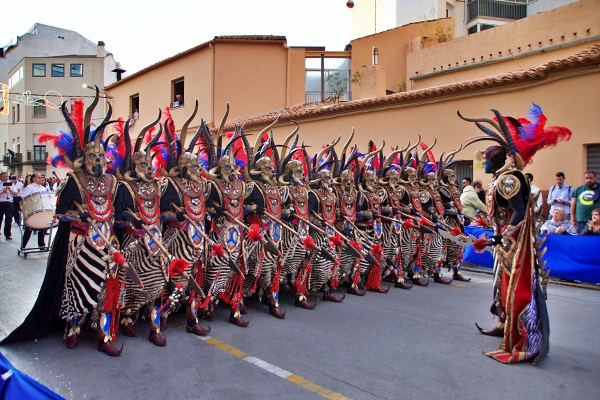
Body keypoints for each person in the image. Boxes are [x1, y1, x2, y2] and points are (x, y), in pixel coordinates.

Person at [458, 103, 571, 364]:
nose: (484, 162)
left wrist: (504, 234)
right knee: (501, 284)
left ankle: (521, 335)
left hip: (513, 243)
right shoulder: (502, 177)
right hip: (506, 241)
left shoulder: (509, 179)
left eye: (487, 159)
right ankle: (504, 323)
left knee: (514, 287)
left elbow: (519, 212)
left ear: (498, 160)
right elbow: (503, 211)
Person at [20, 173, 49, 249]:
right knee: (29, 228)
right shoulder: (30, 187)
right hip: (32, 209)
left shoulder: (43, 188)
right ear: (33, 179)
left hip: (41, 209)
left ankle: (41, 245)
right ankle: (23, 245)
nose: (40, 179)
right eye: (38, 177)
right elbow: (23, 197)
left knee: (41, 227)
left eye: (41, 177)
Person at [571, 170, 600, 235]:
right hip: (582, 220)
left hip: (598, 221)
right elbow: (573, 205)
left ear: (596, 178)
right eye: (586, 178)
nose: (589, 180)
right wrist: (573, 219)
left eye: (591, 178)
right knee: (583, 238)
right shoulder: (578, 190)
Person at [0, 171, 18, 240]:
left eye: (6, 176)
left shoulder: (11, 184)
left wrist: (10, 190)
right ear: (0, 177)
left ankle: (7, 234)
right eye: (3, 176)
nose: (5, 178)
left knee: (9, 219)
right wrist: (2, 192)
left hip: (9, 203)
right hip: (1, 202)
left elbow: (16, 193)